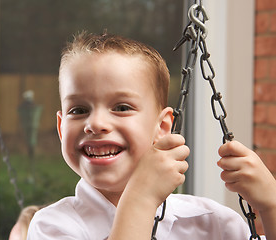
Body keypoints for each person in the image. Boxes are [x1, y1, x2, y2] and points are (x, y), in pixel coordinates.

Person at [27, 31, 276, 239]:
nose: (96, 124)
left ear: (163, 127)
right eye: (79, 110)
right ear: (61, 129)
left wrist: (271, 205)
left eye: (121, 107)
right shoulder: (52, 227)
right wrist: (141, 200)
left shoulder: (211, 223)